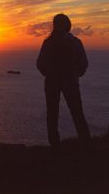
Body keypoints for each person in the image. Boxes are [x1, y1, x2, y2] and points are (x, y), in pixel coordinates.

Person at [37, 14, 91, 147]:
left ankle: (54, 145)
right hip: (70, 81)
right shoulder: (75, 42)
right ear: (68, 25)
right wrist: (76, 74)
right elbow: (83, 63)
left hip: (52, 82)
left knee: (52, 114)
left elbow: (40, 63)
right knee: (77, 112)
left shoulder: (48, 42)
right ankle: (86, 143)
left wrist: (48, 74)